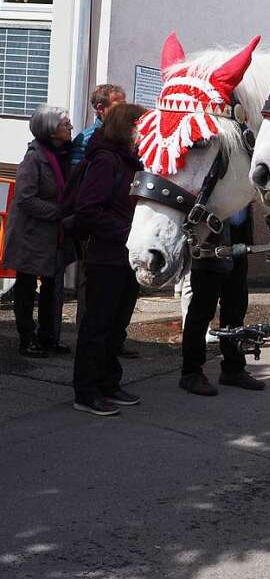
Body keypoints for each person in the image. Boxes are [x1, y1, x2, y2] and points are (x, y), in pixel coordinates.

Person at [71, 102, 145, 416]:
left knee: (117, 326)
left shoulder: (130, 160)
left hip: (126, 256)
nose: (146, 132)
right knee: (97, 327)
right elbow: (88, 209)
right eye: (141, 125)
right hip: (106, 256)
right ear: (127, 128)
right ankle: (86, 392)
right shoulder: (105, 160)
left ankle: (108, 383)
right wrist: (127, 232)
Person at [2, 107, 76, 357]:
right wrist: (59, 211)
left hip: (52, 235)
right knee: (26, 286)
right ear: (51, 130)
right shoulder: (34, 158)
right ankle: (27, 338)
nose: (70, 127)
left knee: (52, 286)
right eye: (65, 124)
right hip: (30, 234)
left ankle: (48, 337)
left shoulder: (62, 155)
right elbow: (24, 199)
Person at [179, 205, 264, 395]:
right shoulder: (209, 175)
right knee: (201, 313)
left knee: (236, 310)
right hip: (210, 246)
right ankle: (191, 373)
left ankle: (233, 369)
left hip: (238, 243)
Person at [69, 83, 125, 166]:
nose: (124, 110)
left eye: (125, 105)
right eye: (119, 107)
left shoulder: (126, 136)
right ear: (101, 108)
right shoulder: (85, 140)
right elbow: (77, 173)